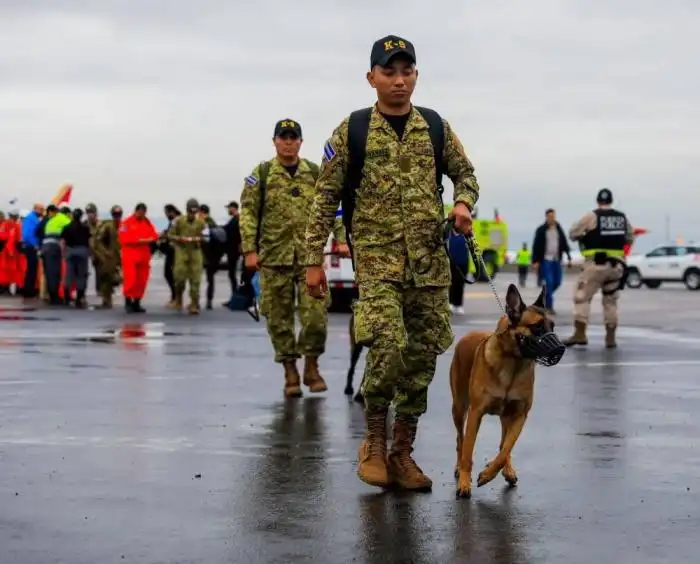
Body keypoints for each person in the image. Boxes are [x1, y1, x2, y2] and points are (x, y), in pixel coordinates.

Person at [304, 35, 479, 491]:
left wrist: (462, 203)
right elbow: (323, 200)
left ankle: (403, 451)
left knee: (421, 360)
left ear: (416, 75)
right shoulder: (353, 131)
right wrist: (313, 262)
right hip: (378, 266)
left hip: (429, 267)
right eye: (389, 72)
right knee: (387, 344)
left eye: (407, 71)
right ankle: (375, 441)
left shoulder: (436, 127)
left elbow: (467, 174)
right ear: (372, 78)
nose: (399, 81)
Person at [240, 118, 342, 397]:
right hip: (273, 260)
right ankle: (290, 372)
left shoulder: (314, 173)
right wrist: (249, 250)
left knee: (315, 318)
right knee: (278, 320)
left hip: (309, 260)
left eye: (293, 137)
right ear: (274, 141)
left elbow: (331, 207)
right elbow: (248, 214)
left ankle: (311, 366)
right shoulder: (260, 175)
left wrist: (343, 238)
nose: (288, 142)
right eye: (283, 137)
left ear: (300, 141)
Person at [563, 188, 634, 349]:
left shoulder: (592, 216)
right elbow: (629, 237)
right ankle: (610, 338)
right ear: (611, 201)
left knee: (582, 297)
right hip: (616, 266)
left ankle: (580, 334)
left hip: (595, 265)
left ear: (598, 201)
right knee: (610, 300)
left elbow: (573, 233)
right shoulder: (622, 218)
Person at [118, 203, 158, 313]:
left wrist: (148, 240)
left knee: (142, 280)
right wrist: (141, 240)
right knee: (130, 279)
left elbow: (154, 235)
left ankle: (136, 302)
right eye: (140, 212)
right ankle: (128, 301)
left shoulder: (147, 222)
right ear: (136, 211)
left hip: (144, 256)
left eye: (144, 213)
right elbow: (124, 239)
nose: (142, 215)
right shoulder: (126, 223)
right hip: (130, 256)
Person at [169, 198, 206, 314]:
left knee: (195, 280)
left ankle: (194, 304)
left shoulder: (201, 222)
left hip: (195, 252)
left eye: (194, 212)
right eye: (191, 212)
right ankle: (178, 299)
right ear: (187, 210)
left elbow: (207, 236)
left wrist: (198, 238)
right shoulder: (178, 221)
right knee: (179, 278)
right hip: (182, 250)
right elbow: (170, 235)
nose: (192, 214)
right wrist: (179, 238)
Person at [531, 208, 572, 314]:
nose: (551, 218)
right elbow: (536, 246)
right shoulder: (541, 230)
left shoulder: (558, 229)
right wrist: (535, 261)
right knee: (549, 282)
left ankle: (544, 297)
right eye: (549, 217)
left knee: (557, 282)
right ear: (546, 217)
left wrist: (569, 257)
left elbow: (564, 243)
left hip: (557, 260)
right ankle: (549, 306)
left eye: (553, 216)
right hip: (545, 260)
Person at [92, 205, 123, 308]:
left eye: (118, 215)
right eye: (115, 215)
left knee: (119, 278)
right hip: (109, 257)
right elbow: (99, 240)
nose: (117, 217)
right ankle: (106, 300)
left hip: (120, 255)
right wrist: (105, 252)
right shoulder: (107, 226)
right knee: (106, 278)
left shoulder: (124, 226)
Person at [60, 208, 92, 308]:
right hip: (82, 252)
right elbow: (90, 241)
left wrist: (63, 253)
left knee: (69, 275)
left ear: (73, 216)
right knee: (81, 276)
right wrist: (90, 253)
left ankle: (66, 297)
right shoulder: (85, 227)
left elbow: (62, 242)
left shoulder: (67, 227)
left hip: (70, 252)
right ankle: (79, 298)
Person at [41, 205, 71, 304]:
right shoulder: (63, 218)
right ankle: (55, 298)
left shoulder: (51, 220)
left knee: (49, 273)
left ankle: (51, 295)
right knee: (54, 272)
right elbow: (72, 227)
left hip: (45, 247)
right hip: (53, 248)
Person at [199, 204, 226, 310]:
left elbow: (204, 240)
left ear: (201, 212)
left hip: (205, 255)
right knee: (210, 279)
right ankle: (209, 301)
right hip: (213, 256)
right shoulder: (213, 223)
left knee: (197, 279)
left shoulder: (203, 224)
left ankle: (199, 301)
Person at [20, 204, 43, 301]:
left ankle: (29, 290)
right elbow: (27, 234)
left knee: (32, 269)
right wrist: (35, 245)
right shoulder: (31, 219)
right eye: (41, 210)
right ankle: (28, 291)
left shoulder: (31, 218)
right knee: (31, 269)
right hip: (31, 247)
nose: (42, 212)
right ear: (36, 209)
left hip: (30, 246)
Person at [160, 204, 181, 307]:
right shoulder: (173, 221)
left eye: (167, 212)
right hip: (172, 251)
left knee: (171, 274)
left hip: (175, 251)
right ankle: (175, 297)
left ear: (172, 211)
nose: (166, 215)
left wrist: (166, 235)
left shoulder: (177, 221)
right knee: (170, 274)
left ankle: (176, 298)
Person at [447, 225, 469, 314]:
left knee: (460, 285)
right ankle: (451, 303)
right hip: (452, 264)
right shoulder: (448, 235)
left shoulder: (465, 236)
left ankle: (459, 305)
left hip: (463, 264)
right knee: (452, 284)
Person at [223, 201, 242, 300]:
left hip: (235, 251)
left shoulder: (238, 219)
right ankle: (234, 297)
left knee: (234, 274)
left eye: (229, 208)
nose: (228, 210)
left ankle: (237, 297)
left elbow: (242, 234)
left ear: (233, 208)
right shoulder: (232, 220)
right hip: (231, 251)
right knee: (232, 275)